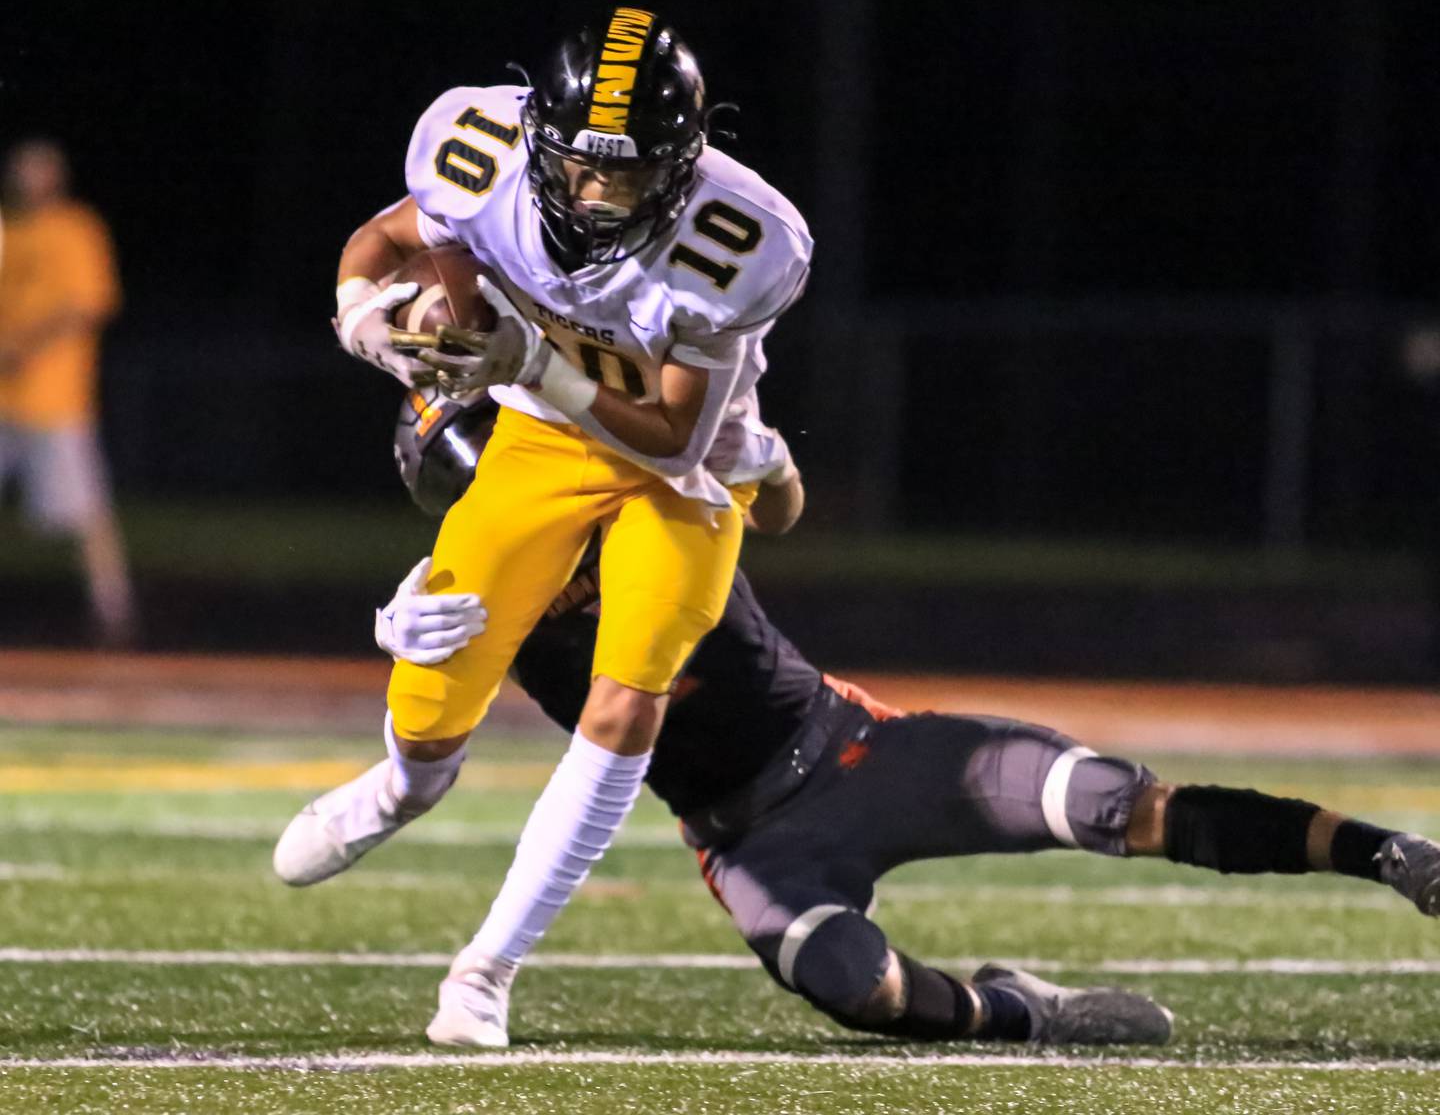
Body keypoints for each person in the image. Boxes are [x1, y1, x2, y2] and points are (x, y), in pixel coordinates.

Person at [276, 394, 1440, 1049]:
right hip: (747, 837)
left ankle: (1388, 855)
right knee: (849, 982)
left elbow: (776, 501)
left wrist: (761, 452)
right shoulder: (466, 602)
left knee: (1115, 803)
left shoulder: (645, 496)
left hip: (850, 746)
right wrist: (394, 639)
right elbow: (423, 731)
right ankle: (1017, 1012)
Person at [277, 9, 812, 1046]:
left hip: (683, 469)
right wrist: (363, 317)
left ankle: (485, 972)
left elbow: (665, 440)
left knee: (628, 698)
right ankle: (398, 789)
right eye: (582, 168)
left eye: (632, 174)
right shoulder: (474, 147)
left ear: (685, 165)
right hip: (541, 437)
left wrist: (529, 360)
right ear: (538, 139)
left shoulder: (738, 241)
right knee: (434, 683)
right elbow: (385, 241)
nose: (602, 195)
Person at [0, 139, 136, 645]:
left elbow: (91, 303)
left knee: (85, 510)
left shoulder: (77, 229)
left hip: (54, 395)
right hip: (2, 394)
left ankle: (114, 608)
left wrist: (23, 345)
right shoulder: (6, 227)